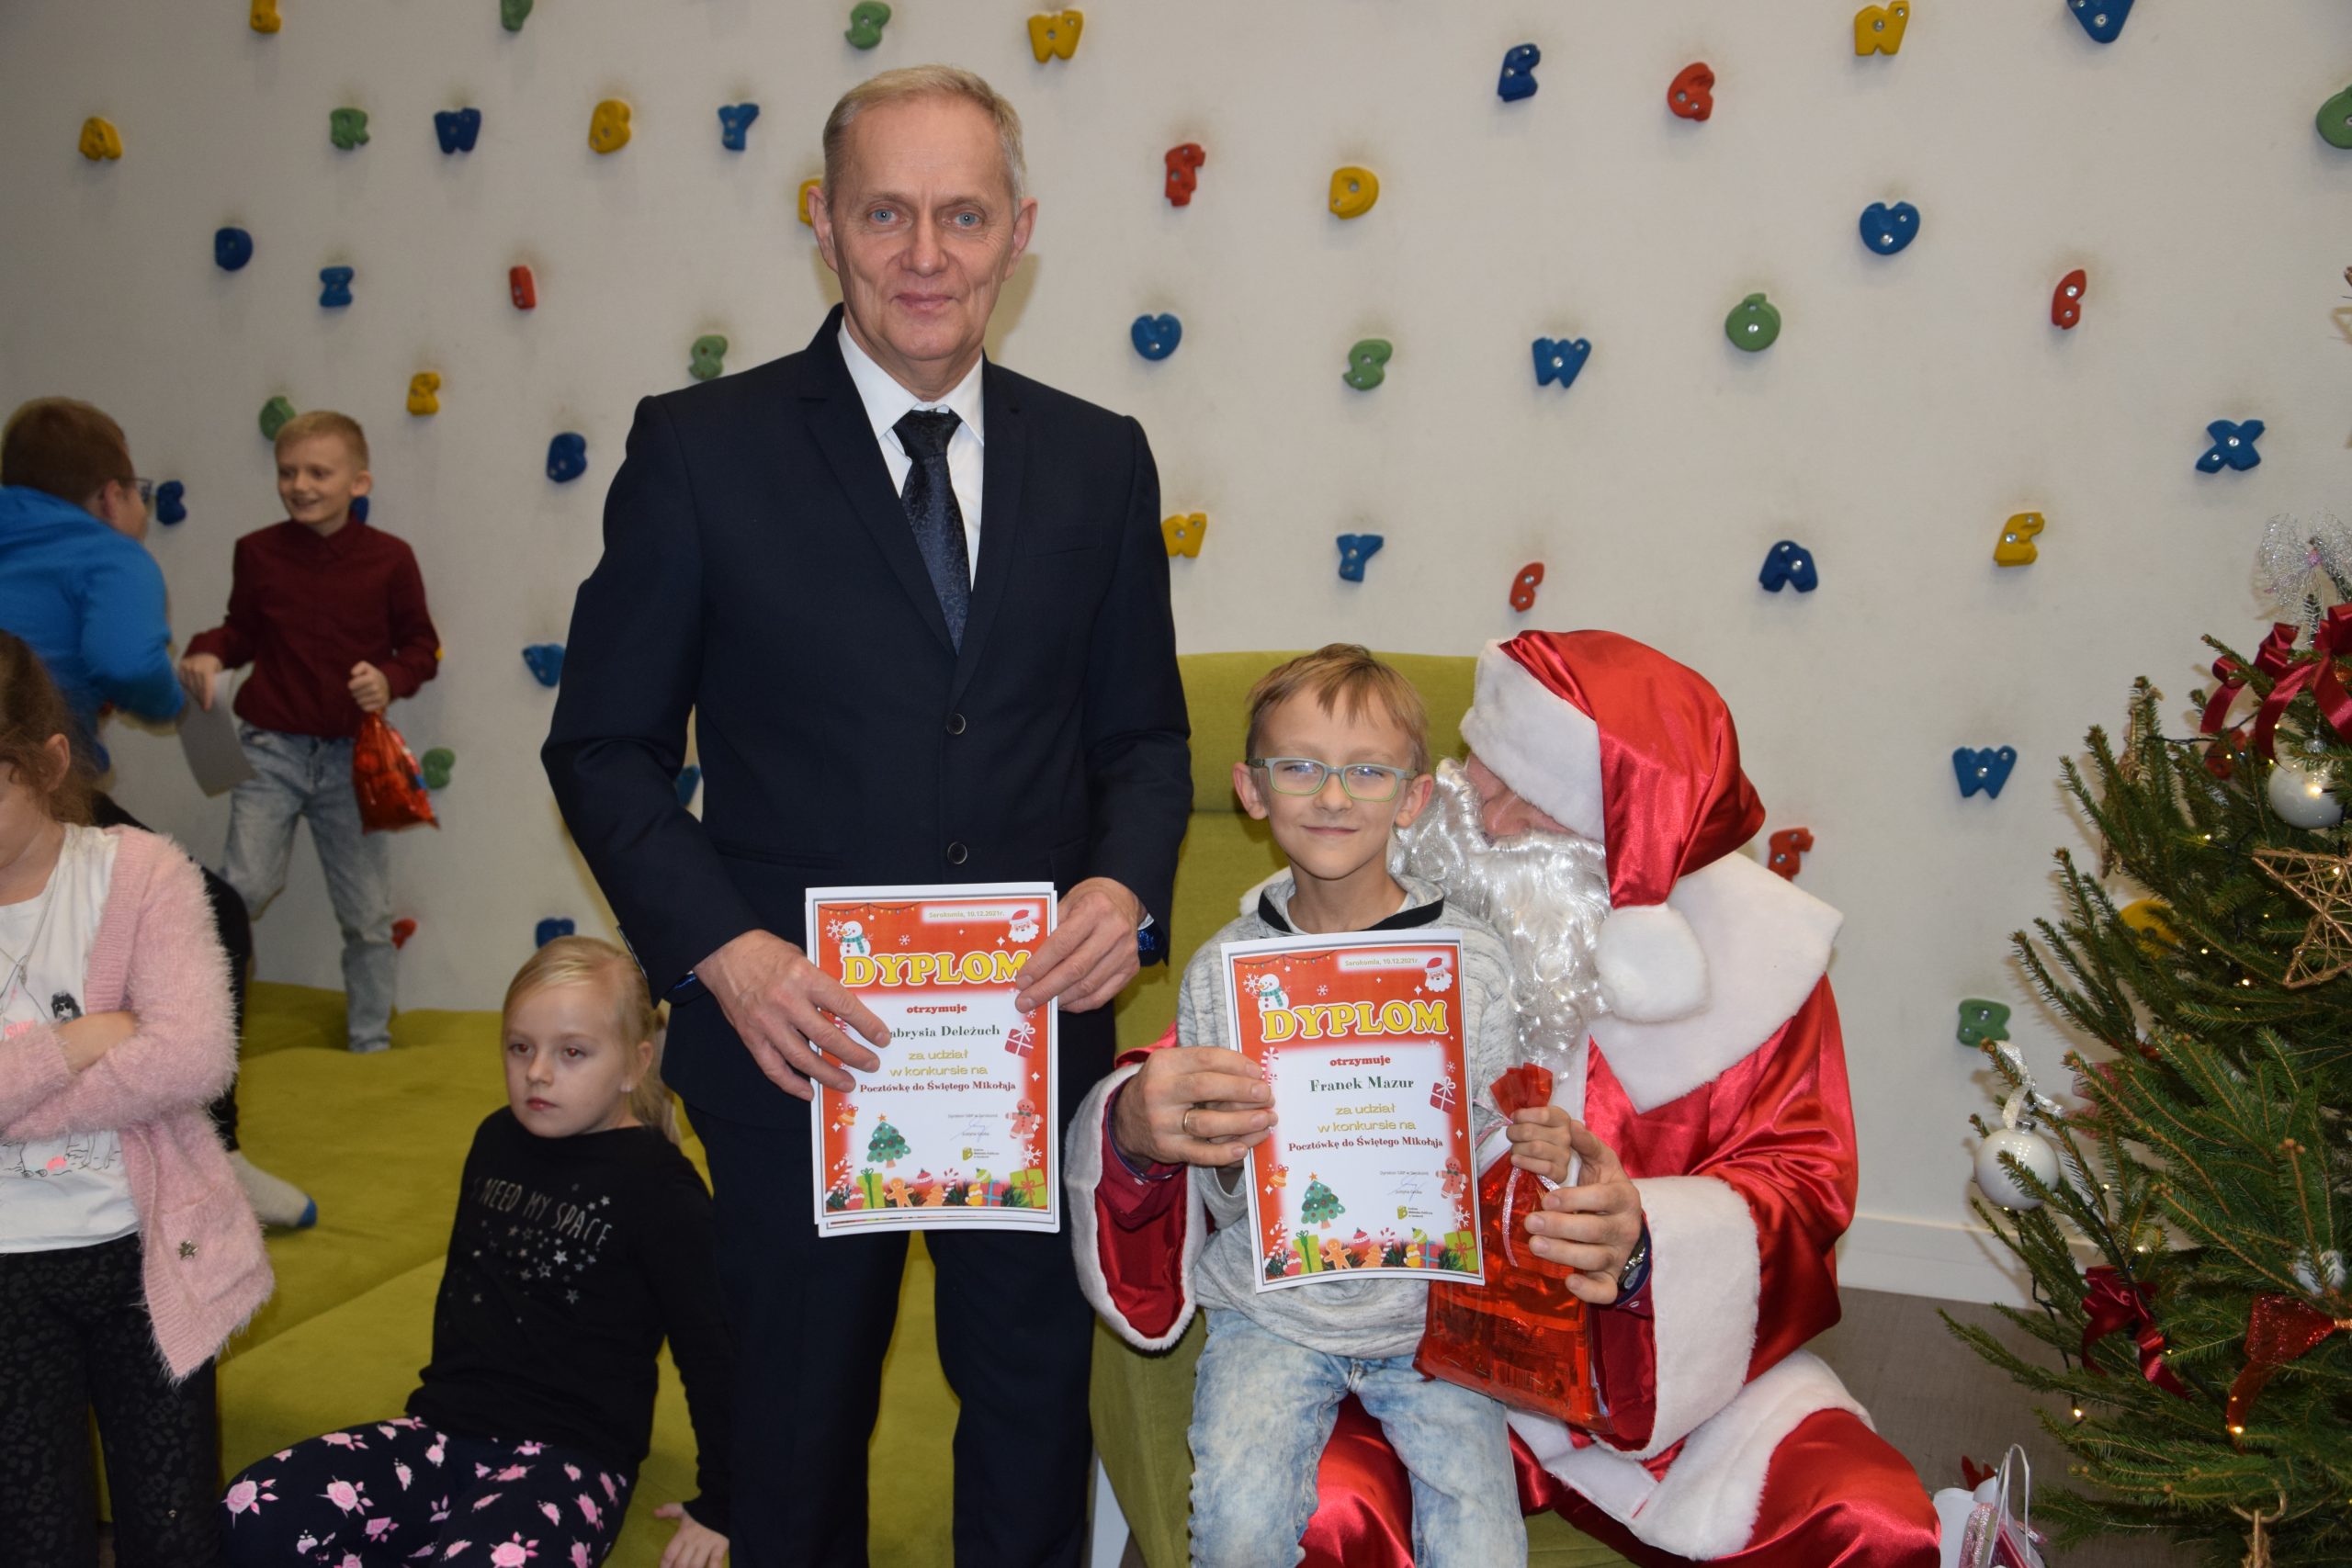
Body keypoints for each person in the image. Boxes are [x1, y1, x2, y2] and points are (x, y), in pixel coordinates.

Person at [543, 64, 1190, 1565]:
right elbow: (604, 748)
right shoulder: (700, 448)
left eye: (963, 214)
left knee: (1029, 1419)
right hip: (791, 1040)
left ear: (1019, 228)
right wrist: (728, 954)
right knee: (793, 1436)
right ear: (823, 223)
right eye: (886, 212)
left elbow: (1145, 739)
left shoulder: (1099, 458)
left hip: (1024, 1038)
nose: (926, 252)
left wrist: (1123, 890)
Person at [1077, 630, 1943, 1568]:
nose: (1486, 820)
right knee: (1318, 1518)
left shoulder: (1763, 971)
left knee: (1873, 1522)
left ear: (1630, 844)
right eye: (1481, 772)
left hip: (1665, 1379)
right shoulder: (1337, 900)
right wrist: (1135, 1123)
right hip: (1414, 1334)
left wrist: (1646, 1243)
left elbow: (1804, 1187)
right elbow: (1203, 1072)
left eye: (1532, 801)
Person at [1082, 646, 1583, 1568]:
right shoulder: (1222, 974)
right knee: (1235, 1525)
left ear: (1413, 797)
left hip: (1432, 1319)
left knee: (1483, 1542)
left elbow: (1484, 1144)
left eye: (1367, 772)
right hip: (1269, 1313)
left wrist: (1534, 1152)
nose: (1333, 797)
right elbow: (1218, 1192)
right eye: (1300, 767)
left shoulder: (1471, 961)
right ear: (1251, 789)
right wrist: (1224, 1150)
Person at [220, 936, 733, 1568]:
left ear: (635, 1064)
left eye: (572, 1052)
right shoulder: (496, 1138)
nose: (538, 1071)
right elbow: (464, 1298)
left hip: (569, 1458)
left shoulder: (662, 1188)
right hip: (443, 1432)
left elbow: (712, 1354)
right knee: (251, 1506)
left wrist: (723, 1502)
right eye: (520, 1047)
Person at [0, 395, 312, 1229]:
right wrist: (171, 695)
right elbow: (124, 660)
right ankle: (215, 1150)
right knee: (217, 911)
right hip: (29, 787)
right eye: (135, 492)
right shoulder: (109, 553)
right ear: (112, 495)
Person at [0, 631, 272, 1568]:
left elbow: (193, 1057)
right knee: (35, 1538)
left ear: (49, 763)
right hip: (9, 1277)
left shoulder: (140, 871)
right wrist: (75, 1043)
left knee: (174, 1531)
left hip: (144, 1258)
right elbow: (140, 1056)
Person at [179, 410, 442, 1058]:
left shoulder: (391, 559)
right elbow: (240, 629)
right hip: (270, 748)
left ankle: (371, 1041)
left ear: (359, 482)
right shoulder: (257, 552)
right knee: (243, 887)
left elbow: (421, 647)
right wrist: (209, 650)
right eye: (287, 472)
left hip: (355, 759)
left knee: (368, 915)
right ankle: (202, 1032)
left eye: (319, 472)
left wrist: (389, 679)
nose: (300, 485)